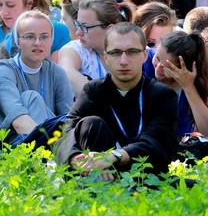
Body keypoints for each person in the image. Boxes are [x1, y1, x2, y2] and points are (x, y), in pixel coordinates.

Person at [55, 22, 179, 179]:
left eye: (132, 52)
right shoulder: (93, 91)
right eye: (115, 53)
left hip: (144, 179)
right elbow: (65, 137)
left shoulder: (162, 95)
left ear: (145, 55)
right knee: (90, 124)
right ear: (106, 57)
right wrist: (76, 160)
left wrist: (113, 157)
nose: (123, 61)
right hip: (94, 178)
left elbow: (159, 143)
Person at [0, 11, 74, 135]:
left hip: (54, 141)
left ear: (51, 40)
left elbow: (69, 120)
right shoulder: (4, 70)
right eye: (30, 37)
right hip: (18, 143)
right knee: (31, 97)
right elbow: (17, 119)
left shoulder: (57, 73)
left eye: (44, 37)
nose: (38, 43)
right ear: (18, 41)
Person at [58, 0, 133, 98]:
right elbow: (66, 72)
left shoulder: (137, 51)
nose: (78, 32)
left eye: (85, 26)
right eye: (78, 25)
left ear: (110, 29)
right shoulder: (75, 49)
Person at [152, 30, 208, 137]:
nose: (158, 68)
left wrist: (188, 86)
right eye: (157, 58)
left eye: (168, 67)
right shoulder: (144, 62)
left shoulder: (198, 79)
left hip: (181, 145)